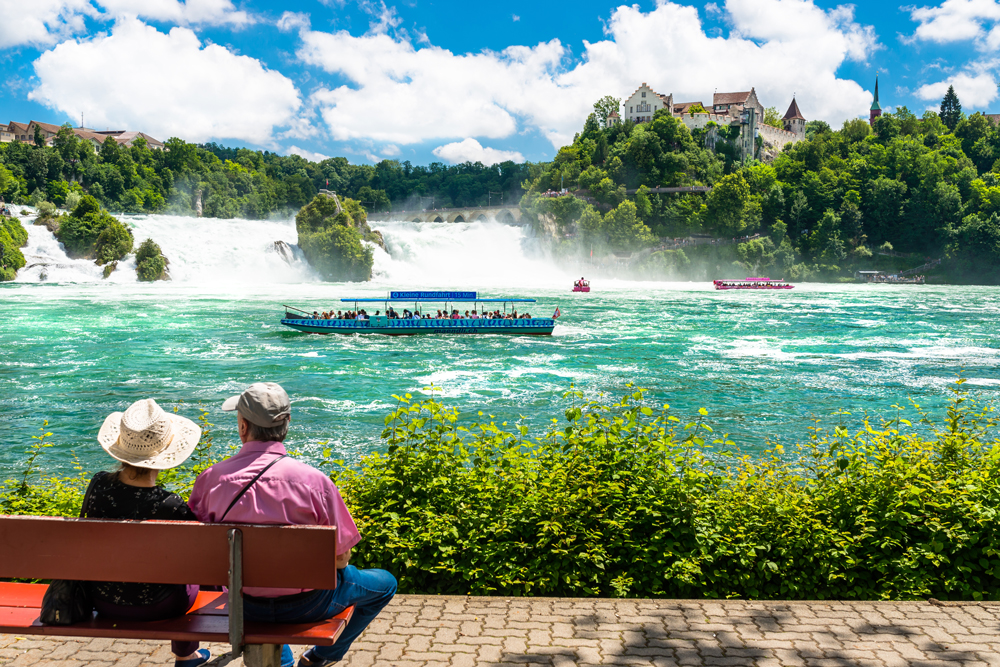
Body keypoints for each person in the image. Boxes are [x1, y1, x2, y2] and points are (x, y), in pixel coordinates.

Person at [189, 383, 396, 667]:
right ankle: (321, 657)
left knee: (265, 582)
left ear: (242, 426)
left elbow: (197, 552)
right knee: (385, 584)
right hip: (307, 606)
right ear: (286, 424)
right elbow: (340, 559)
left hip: (241, 605)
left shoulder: (211, 480)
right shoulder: (314, 482)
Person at [85, 399, 210, 667]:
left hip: (101, 599)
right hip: (160, 604)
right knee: (200, 573)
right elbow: (202, 555)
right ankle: (186, 655)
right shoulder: (171, 505)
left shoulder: (97, 485)